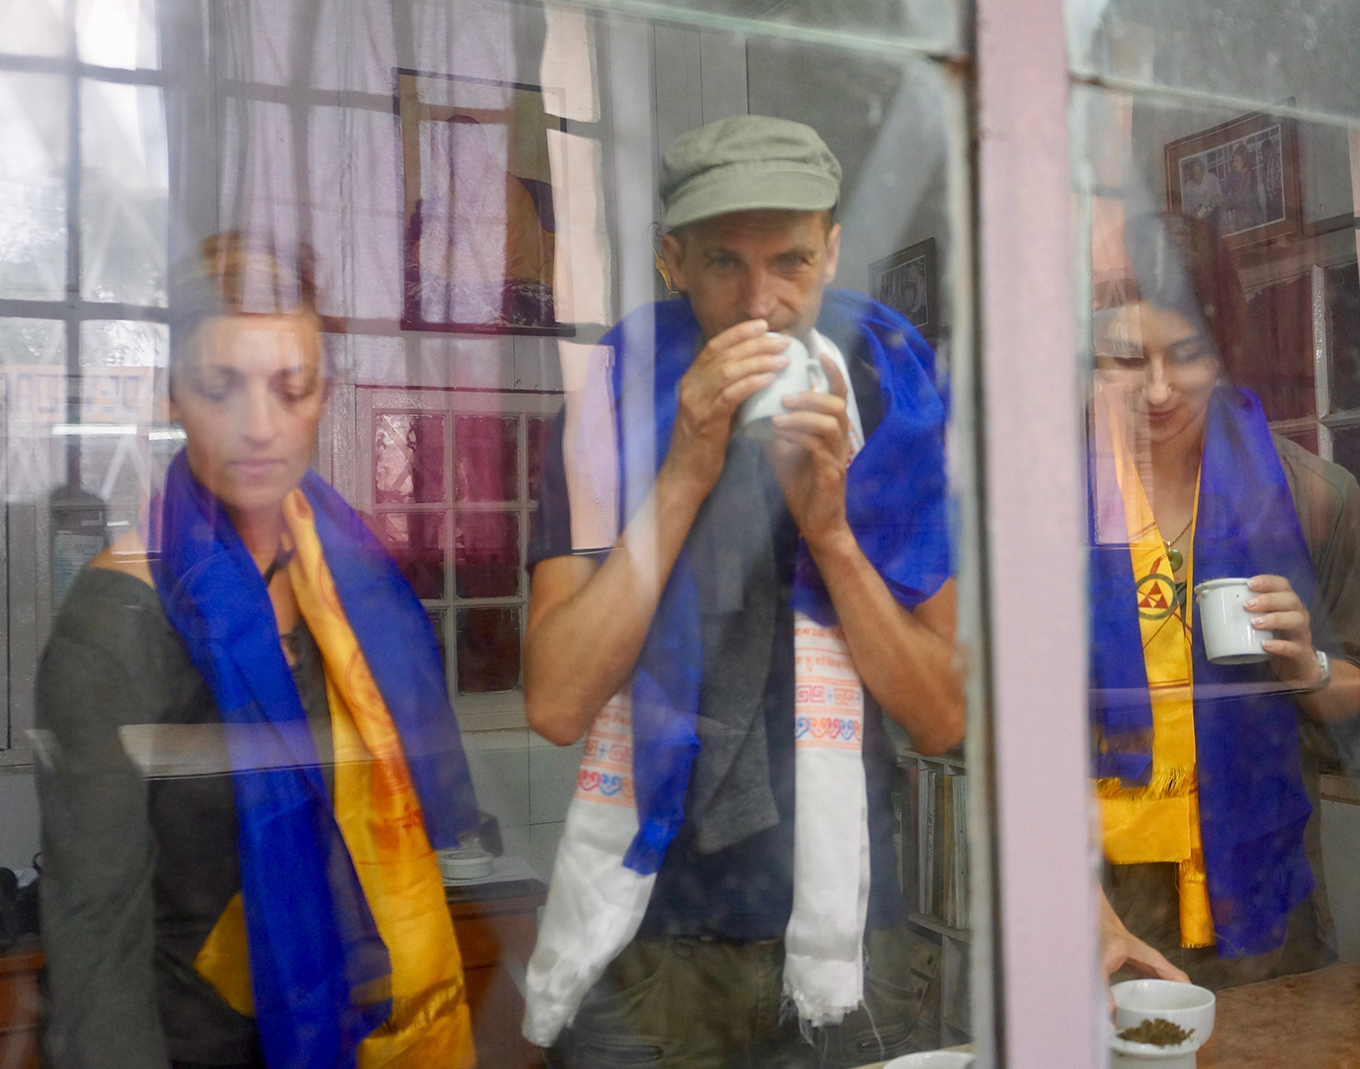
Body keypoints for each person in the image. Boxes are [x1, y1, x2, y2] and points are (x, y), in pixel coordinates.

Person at [519, 115, 962, 1068]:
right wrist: (683, 473)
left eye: (793, 260)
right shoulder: (613, 397)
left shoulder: (894, 398)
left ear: (834, 249)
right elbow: (556, 701)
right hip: (653, 927)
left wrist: (832, 533)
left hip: (847, 922)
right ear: (671, 260)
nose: (763, 304)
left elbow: (941, 714)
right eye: (725, 262)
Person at [35, 234, 482, 1069]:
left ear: (327, 395)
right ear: (172, 396)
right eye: (219, 386)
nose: (260, 427)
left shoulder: (347, 577)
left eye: (292, 387)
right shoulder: (117, 625)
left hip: (364, 1029)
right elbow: (96, 953)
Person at [1089, 212, 1360, 989]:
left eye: (1187, 354)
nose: (1158, 389)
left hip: (1265, 914)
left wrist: (1309, 665)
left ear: (1223, 351)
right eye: (1129, 357)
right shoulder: (1046, 501)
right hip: (1096, 905)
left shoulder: (1311, 498)